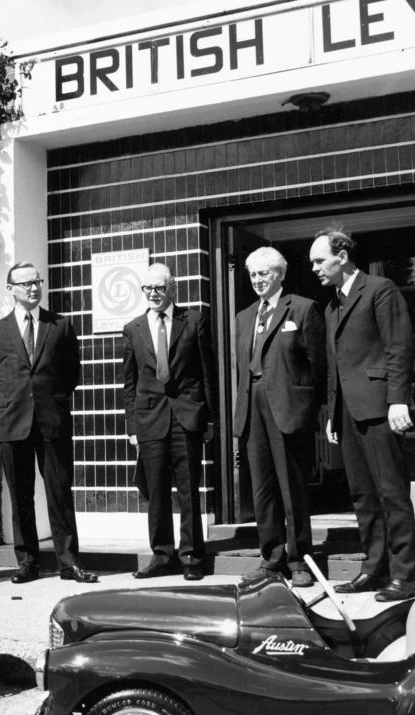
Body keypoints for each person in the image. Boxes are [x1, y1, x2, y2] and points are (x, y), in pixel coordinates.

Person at [309, 228, 415, 602]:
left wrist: (398, 399)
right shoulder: (332, 306)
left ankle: (404, 575)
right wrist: (332, 412)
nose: (315, 268)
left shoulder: (379, 289)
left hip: (380, 408)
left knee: (391, 492)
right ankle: (374, 568)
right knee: (362, 496)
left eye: (320, 260)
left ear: (342, 257)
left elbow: (399, 347)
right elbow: (337, 366)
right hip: (348, 413)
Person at [0, 262, 97, 584]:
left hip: (51, 420)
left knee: (59, 492)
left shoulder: (60, 326)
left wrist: (50, 399)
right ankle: (28, 562)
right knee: (20, 496)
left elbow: (71, 374)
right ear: (11, 289)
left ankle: (69, 562)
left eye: (37, 282)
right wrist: (15, 400)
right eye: (26, 283)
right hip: (12, 421)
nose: (34, 288)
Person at [232, 247, 326, 587]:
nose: (258, 280)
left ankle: (300, 560)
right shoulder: (244, 317)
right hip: (252, 406)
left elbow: (319, 365)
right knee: (262, 489)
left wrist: (310, 407)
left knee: (291, 488)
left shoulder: (302, 308)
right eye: (253, 274)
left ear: (280, 274)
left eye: (264, 273)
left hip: (287, 407)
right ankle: (271, 559)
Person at [123, 264, 217, 581]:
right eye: (147, 288)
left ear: (172, 288)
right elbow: (129, 383)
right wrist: (132, 427)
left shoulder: (193, 320)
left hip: (186, 417)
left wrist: (209, 420)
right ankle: (162, 555)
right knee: (156, 492)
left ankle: (191, 557)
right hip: (149, 419)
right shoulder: (133, 328)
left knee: (189, 490)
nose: (153, 293)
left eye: (159, 288)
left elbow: (207, 374)